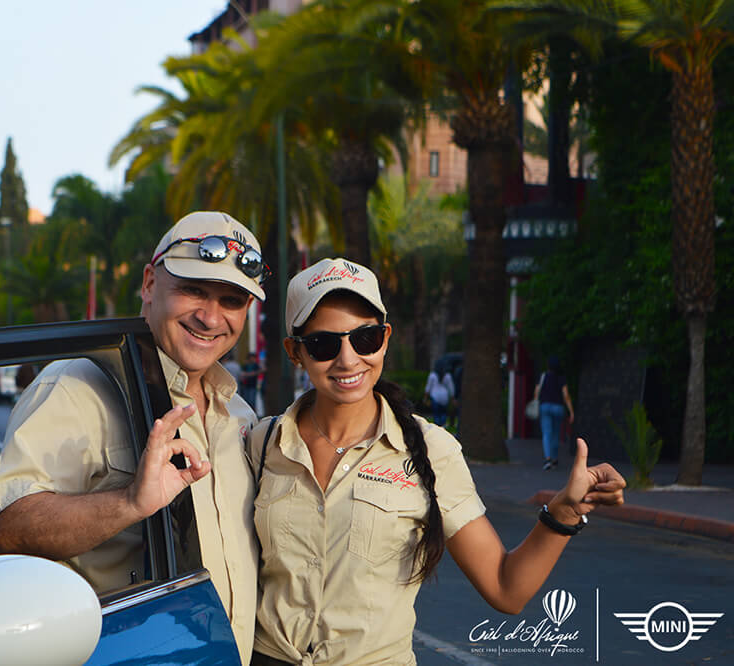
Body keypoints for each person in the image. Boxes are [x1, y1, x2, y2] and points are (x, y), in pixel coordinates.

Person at [248, 258, 625, 665]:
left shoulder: (431, 450)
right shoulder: (261, 444)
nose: (347, 359)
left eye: (365, 338)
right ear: (295, 352)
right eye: (324, 344)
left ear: (385, 338)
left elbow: (505, 587)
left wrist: (564, 513)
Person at [0, 211, 269, 664]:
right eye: (193, 289)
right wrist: (129, 503)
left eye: (231, 300)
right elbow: (8, 530)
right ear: (151, 283)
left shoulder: (240, 413)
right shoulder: (76, 387)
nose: (211, 316)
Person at [534, 356, 575, 471]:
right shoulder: (561, 378)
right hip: (558, 408)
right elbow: (566, 395)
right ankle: (555, 458)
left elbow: (536, 392)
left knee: (547, 433)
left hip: (545, 406)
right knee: (556, 434)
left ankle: (548, 459)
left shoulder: (543, 377)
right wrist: (571, 411)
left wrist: (537, 401)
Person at [423, 358, 456, 426]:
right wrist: (452, 399)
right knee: (443, 413)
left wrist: (425, 398)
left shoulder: (432, 375)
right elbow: (451, 388)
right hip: (444, 398)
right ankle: (442, 425)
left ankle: (437, 425)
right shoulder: (447, 376)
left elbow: (428, 388)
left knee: (436, 414)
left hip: (435, 397)